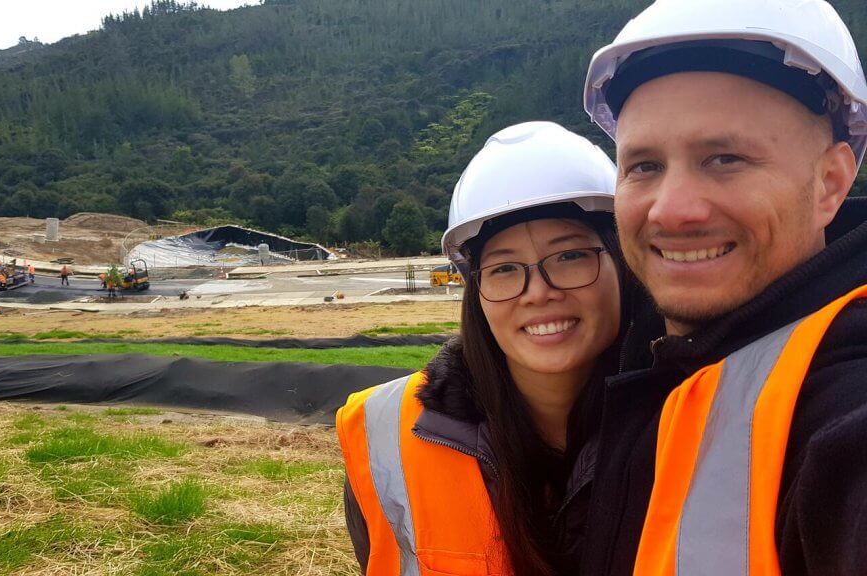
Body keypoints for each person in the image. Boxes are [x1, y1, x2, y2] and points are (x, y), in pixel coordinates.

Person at [575, 0, 867, 574]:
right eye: (644, 166)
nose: (672, 209)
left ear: (830, 183)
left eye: (724, 158)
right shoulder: (643, 367)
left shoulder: (842, 396)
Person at [336, 122, 638, 575]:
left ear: (624, 263)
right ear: (475, 292)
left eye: (570, 256)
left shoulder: (700, 418)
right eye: (504, 268)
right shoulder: (386, 436)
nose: (537, 292)